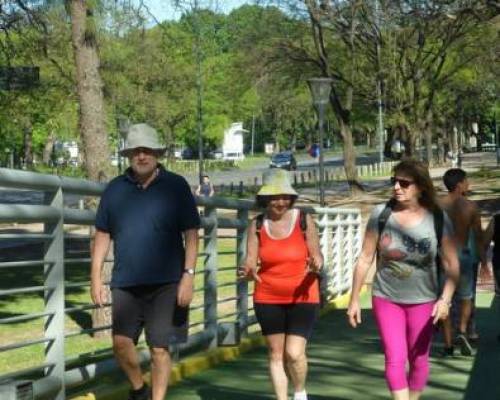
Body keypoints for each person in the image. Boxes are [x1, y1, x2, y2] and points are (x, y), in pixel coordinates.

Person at [90, 123, 200, 400]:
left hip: (168, 282)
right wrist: (95, 278)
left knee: (160, 348)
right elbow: (102, 235)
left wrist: (189, 275)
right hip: (125, 281)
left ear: (157, 154)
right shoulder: (114, 189)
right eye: (136, 151)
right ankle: (139, 390)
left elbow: (191, 233)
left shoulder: (176, 186)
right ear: (128, 154)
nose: (142, 156)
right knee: (120, 343)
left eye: (147, 151)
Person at [347, 159, 459, 400]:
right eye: (394, 181)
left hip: (424, 300)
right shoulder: (381, 214)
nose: (397, 187)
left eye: (404, 183)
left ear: (420, 187)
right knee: (395, 357)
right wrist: (354, 299)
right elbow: (365, 258)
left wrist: (445, 300)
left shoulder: (437, 218)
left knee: (418, 358)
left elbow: (452, 264)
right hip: (386, 297)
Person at [239, 168, 323, 400]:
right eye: (275, 197)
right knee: (276, 355)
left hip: (304, 295)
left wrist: (317, 263)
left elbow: (317, 255)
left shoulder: (304, 220)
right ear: (265, 198)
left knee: (294, 354)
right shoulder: (256, 225)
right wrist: (247, 270)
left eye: (285, 196)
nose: (281, 201)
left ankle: (299, 391)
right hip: (267, 297)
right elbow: (250, 259)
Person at [439, 168, 487, 356]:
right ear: (459, 185)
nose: (468, 184)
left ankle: (448, 344)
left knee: (445, 299)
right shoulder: (471, 207)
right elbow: (478, 237)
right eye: (466, 181)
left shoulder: (437, 205)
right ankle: (462, 330)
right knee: (467, 297)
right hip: (464, 256)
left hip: (442, 256)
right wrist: (483, 262)